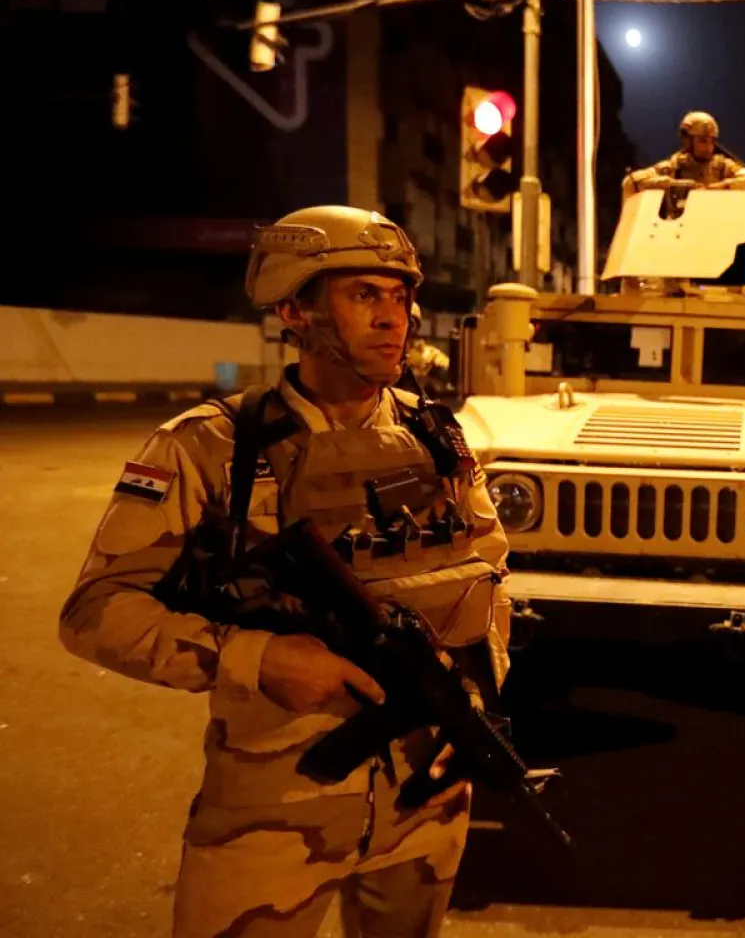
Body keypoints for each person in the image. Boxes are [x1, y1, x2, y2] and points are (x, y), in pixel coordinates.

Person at [59, 205, 512, 938]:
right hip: (271, 814)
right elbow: (95, 612)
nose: (393, 318)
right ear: (294, 308)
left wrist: (473, 695)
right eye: (364, 295)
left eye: (400, 296)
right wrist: (256, 656)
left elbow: (489, 574)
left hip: (424, 799)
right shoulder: (211, 447)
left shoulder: (436, 435)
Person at [621, 111, 745, 197]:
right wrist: (676, 185)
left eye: (712, 141)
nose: (709, 147)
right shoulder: (673, 166)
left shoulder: (724, 167)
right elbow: (631, 182)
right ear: (687, 141)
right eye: (703, 141)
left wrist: (722, 186)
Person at [405, 303, 451, 392]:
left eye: (411, 323)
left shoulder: (428, 353)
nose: (407, 327)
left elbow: (447, 370)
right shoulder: (384, 351)